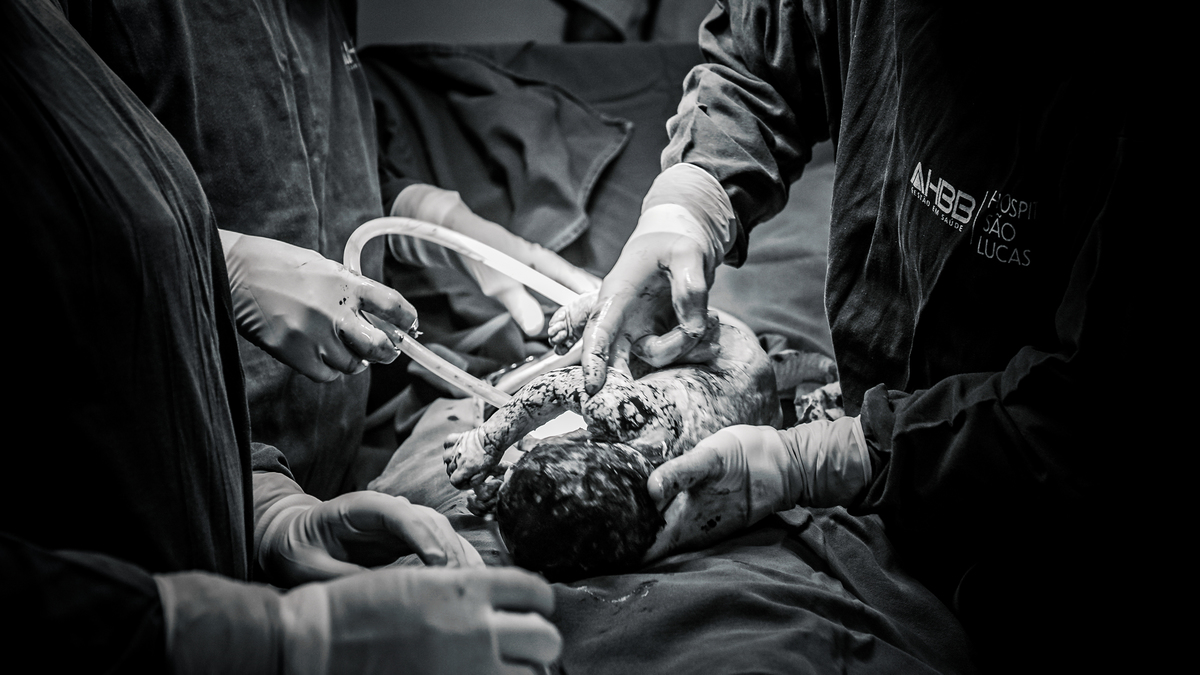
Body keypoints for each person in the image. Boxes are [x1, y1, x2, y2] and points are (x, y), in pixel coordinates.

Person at [574, 0, 1152, 669]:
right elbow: (767, 48)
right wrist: (690, 201)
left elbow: (1089, 419)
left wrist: (831, 458)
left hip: (1043, 536)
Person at [1, 1, 561, 671]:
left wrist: (420, 216)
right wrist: (216, 260)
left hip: (332, 489)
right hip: (183, 537)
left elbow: (298, 164)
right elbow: (64, 253)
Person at [64, 0, 599, 499]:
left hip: (338, 461)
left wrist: (429, 219)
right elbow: (52, 219)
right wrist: (217, 262)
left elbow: (310, 172)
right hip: (191, 477)